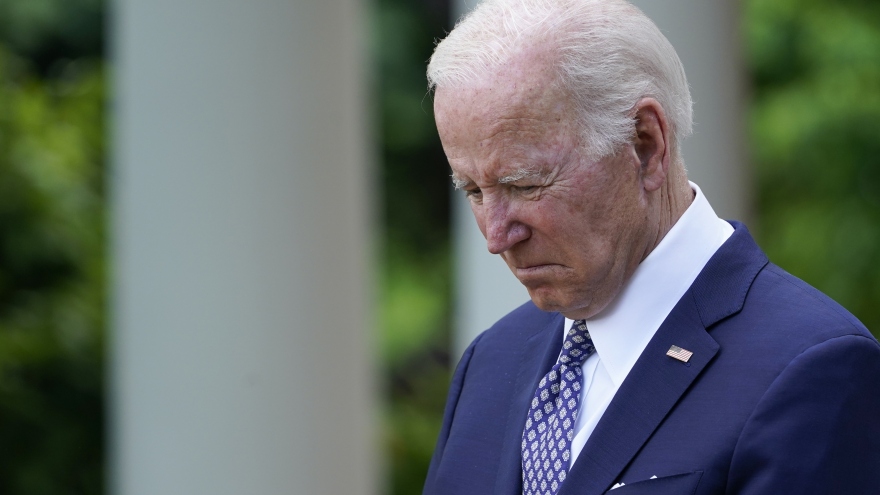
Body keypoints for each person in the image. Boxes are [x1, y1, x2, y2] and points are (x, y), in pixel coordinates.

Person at [421, 0, 880, 494]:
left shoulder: (812, 366)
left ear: (645, 145)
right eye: (473, 191)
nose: (496, 237)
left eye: (525, 185)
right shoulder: (491, 362)